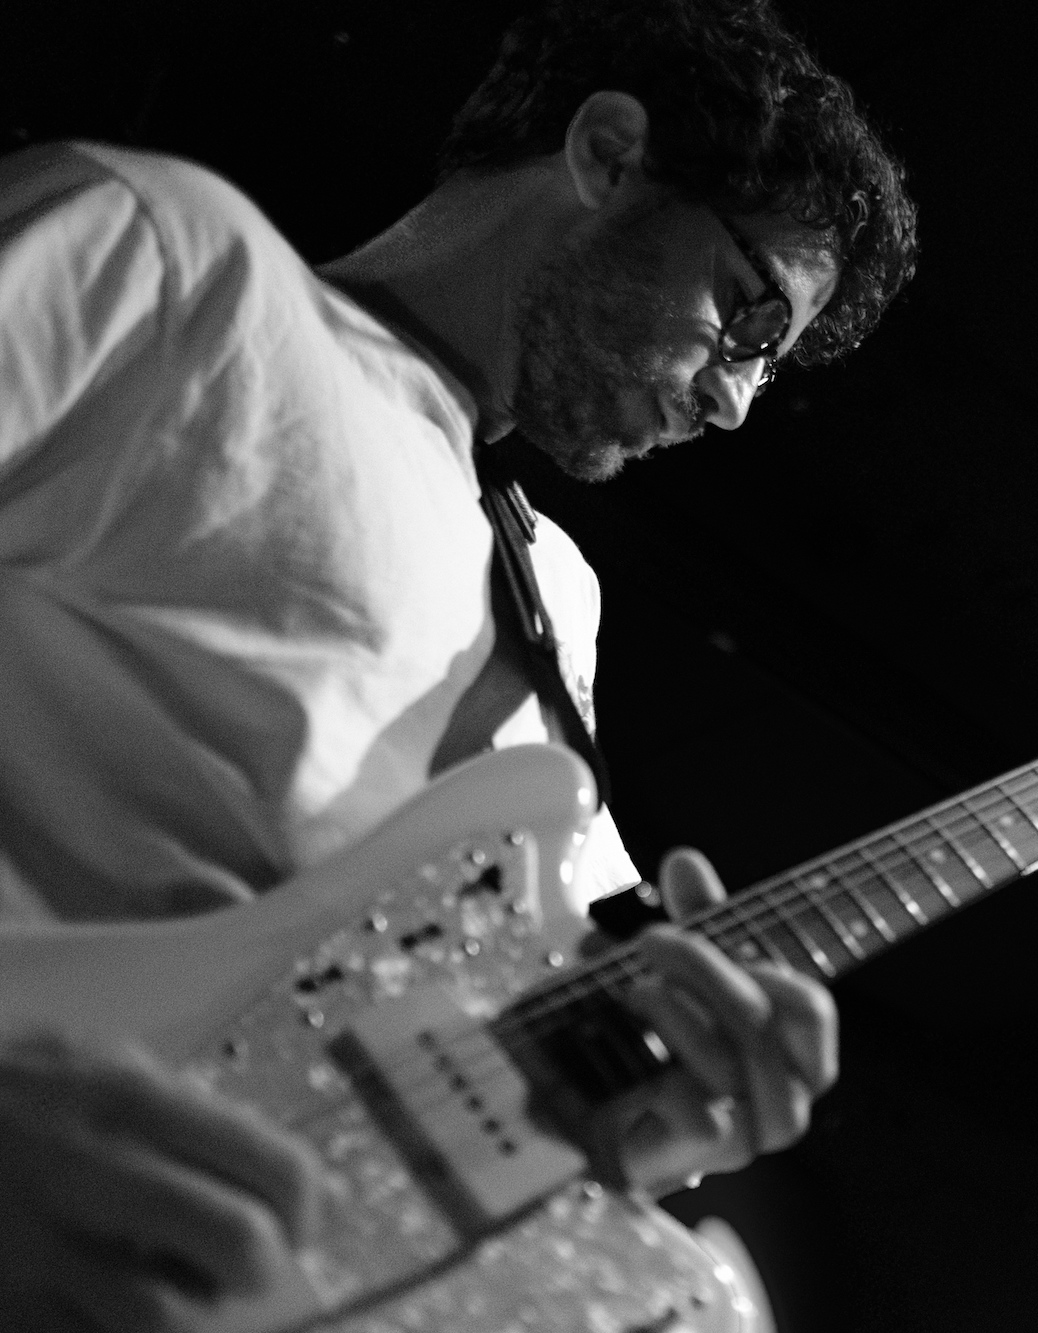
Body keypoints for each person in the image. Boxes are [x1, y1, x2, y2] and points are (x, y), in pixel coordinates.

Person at [0, 0, 916, 1326]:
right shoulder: (176, 254)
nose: (732, 401)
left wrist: (645, 1104)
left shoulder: (556, 592)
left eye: (767, 372)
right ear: (608, 152)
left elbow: (483, 1027)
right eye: (748, 316)